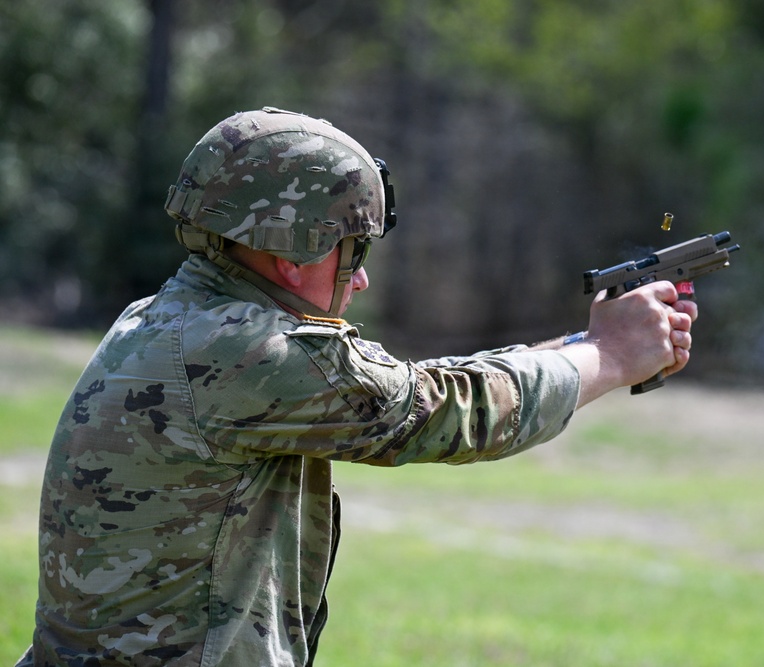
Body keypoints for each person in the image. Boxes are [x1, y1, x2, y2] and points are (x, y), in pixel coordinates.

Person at [17, 106, 696, 667]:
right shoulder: (249, 351)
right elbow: (442, 411)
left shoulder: (169, 318)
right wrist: (611, 355)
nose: (361, 278)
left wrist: (593, 344)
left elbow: (421, 383)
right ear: (292, 252)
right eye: (353, 251)